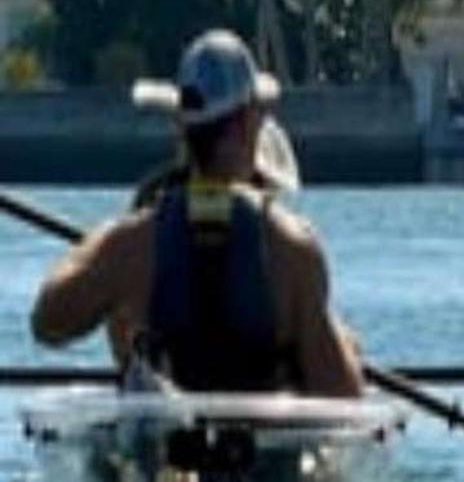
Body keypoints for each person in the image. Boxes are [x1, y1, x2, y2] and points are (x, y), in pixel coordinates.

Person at [30, 30, 363, 396]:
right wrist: (342, 343)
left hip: (163, 451)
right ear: (244, 125)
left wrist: (100, 246)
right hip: (264, 449)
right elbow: (343, 397)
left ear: (182, 127)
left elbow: (47, 323)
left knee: (125, 330)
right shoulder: (294, 248)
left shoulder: (130, 246)